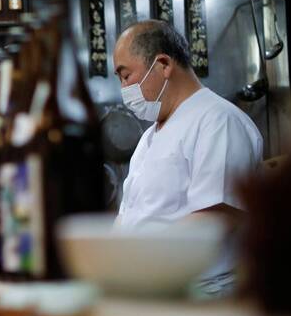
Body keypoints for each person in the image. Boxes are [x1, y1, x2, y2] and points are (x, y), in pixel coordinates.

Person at [112, 20, 263, 229]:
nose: (124, 88)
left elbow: (214, 218)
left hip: (181, 263)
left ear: (163, 64)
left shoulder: (219, 121)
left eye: (126, 76)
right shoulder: (148, 137)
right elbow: (126, 215)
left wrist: (141, 255)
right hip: (139, 260)